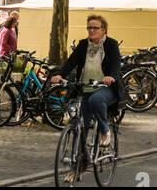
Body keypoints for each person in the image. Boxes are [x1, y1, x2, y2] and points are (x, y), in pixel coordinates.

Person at [50, 14, 125, 151]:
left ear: (103, 30)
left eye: (95, 28)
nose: (92, 30)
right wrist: (60, 74)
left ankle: (104, 130)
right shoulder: (83, 44)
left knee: (95, 100)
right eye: (89, 27)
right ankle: (77, 164)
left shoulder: (111, 44)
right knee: (80, 127)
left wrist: (111, 76)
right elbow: (71, 62)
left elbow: (116, 65)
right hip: (87, 86)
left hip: (105, 86)